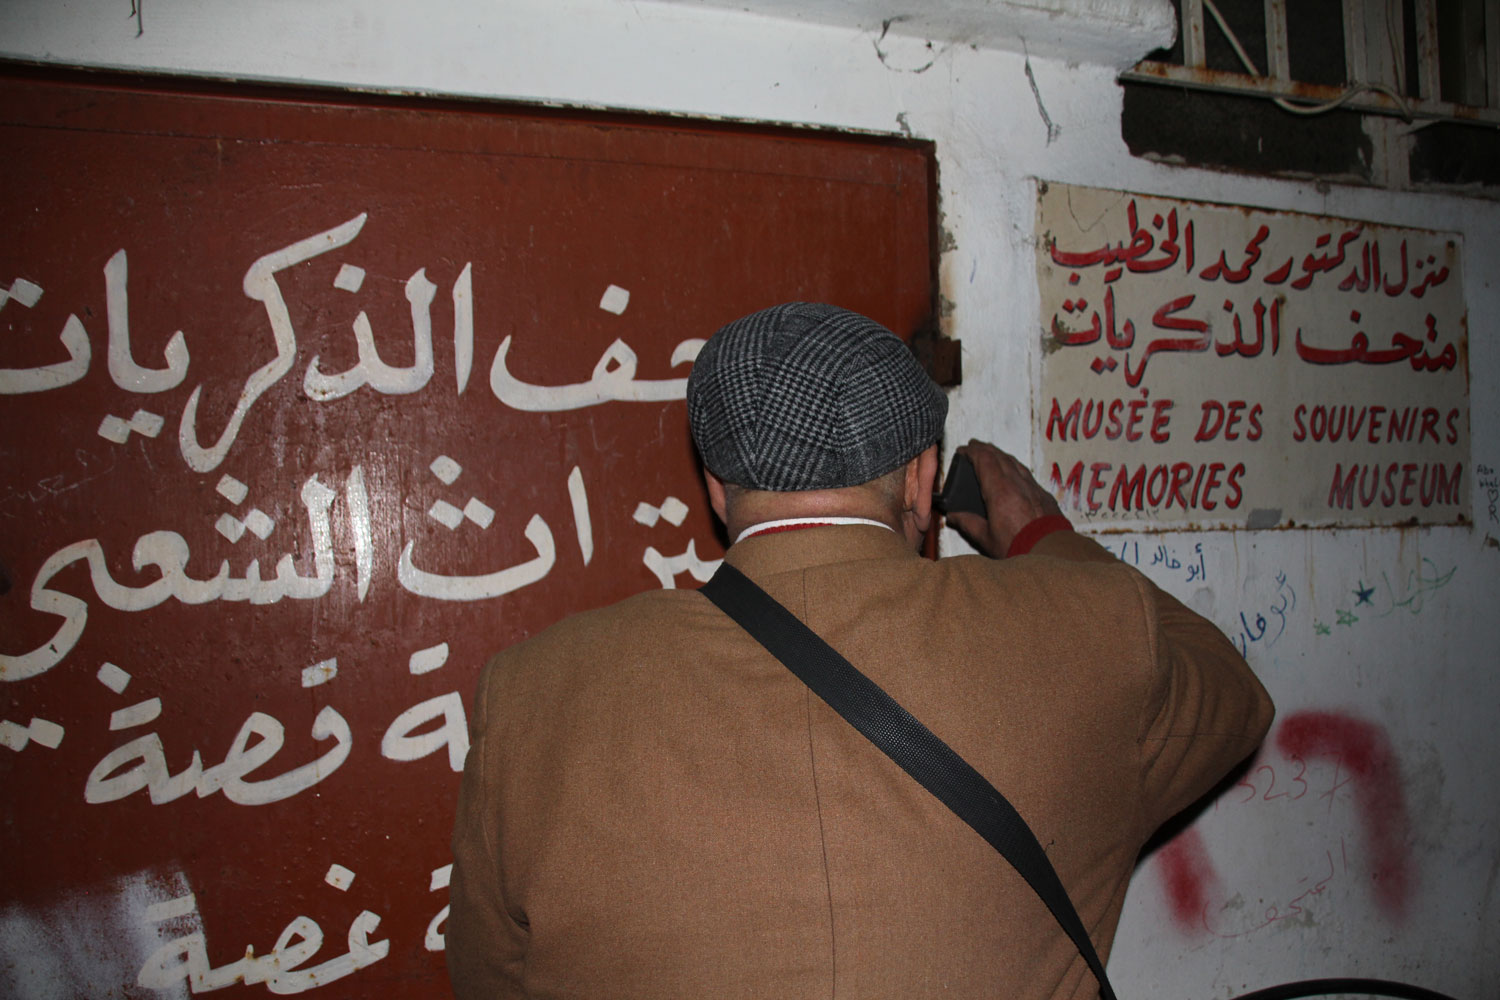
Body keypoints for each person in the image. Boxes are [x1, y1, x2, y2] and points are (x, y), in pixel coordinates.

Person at [447, 302, 1273, 999]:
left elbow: (493, 980)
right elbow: (1233, 694)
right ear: (921, 479)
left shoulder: (530, 693)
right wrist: (1043, 536)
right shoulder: (1090, 632)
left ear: (715, 487)